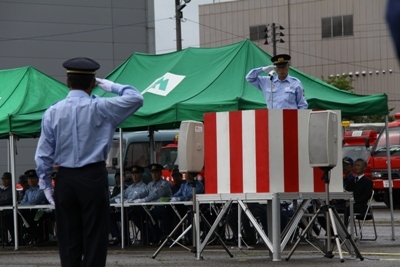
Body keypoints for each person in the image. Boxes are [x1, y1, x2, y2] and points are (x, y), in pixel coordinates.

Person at [34, 57, 143, 267]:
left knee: (68, 237)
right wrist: (109, 85)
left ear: (67, 82)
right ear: (93, 83)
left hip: (65, 178)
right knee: (95, 236)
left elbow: (43, 154)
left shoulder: (52, 112)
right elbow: (136, 98)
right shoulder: (103, 107)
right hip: (93, 176)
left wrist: (46, 183)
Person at [131, 163, 172, 245]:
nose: (155, 175)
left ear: (160, 173)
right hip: (151, 208)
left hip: (164, 208)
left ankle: (158, 236)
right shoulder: (150, 184)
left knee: (151, 215)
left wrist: (144, 200)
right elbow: (143, 193)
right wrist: (132, 199)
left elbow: (156, 194)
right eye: (153, 173)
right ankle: (149, 234)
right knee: (134, 214)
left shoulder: (165, 184)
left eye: (156, 172)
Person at [109, 165, 149, 245]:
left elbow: (136, 197)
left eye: (136, 174)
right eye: (133, 174)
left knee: (126, 215)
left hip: (137, 210)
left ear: (140, 175)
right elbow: (121, 195)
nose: (134, 176)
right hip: (127, 209)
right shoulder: (130, 187)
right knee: (109, 216)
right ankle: (118, 236)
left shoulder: (144, 187)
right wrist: (110, 201)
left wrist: (125, 200)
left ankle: (125, 238)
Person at [19, 169, 47, 244]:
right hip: (29, 210)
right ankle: (33, 237)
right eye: (29, 179)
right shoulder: (27, 191)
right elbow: (22, 202)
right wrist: (27, 203)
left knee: (30, 217)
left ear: (37, 179)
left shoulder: (41, 189)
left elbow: (34, 202)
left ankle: (37, 237)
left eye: (32, 178)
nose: (30, 180)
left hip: (40, 210)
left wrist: (27, 203)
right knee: (22, 216)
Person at [344, 158, 373, 227]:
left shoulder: (368, 181)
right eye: (355, 165)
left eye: (358, 165)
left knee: (345, 210)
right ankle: (332, 230)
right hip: (349, 204)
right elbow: (346, 192)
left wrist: (353, 201)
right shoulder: (351, 181)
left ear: (364, 168)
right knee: (333, 208)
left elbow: (366, 195)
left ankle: (343, 231)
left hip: (360, 206)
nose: (356, 167)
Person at [0, 172, 13, 245]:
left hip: (9, 212)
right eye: (3, 180)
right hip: (3, 211)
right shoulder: (2, 191)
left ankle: (8, 239)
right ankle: (3, 238)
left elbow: (9, 200)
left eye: (6, 179)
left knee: (8, 224)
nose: (4, 181)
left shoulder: (11, 190)